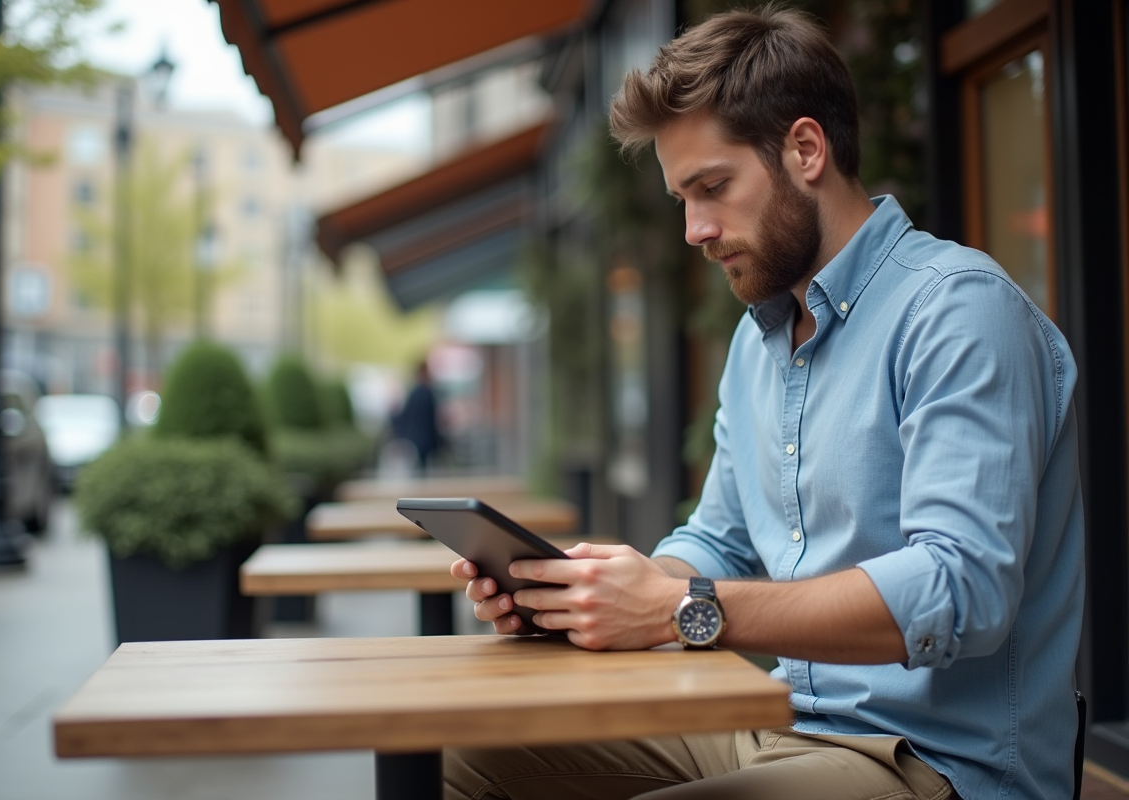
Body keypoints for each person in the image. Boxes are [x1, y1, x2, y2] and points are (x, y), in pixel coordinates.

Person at [446, 6, 1084, 800]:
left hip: (932, 762)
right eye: (683, 197)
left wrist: (680, 609)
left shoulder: (957, 311)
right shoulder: (758, 342)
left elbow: (960, 591)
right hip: (781, 719)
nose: (695, 229)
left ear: (806, 149)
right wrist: (596, 593)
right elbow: (721, 540)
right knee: (478, 757)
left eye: (712, 187)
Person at [390, 359, 443, 472]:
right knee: (422, 471)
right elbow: (431, 422)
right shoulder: (426, 393)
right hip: (424, 441)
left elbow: (402, 417)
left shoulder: (414, 392)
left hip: (412, 440)